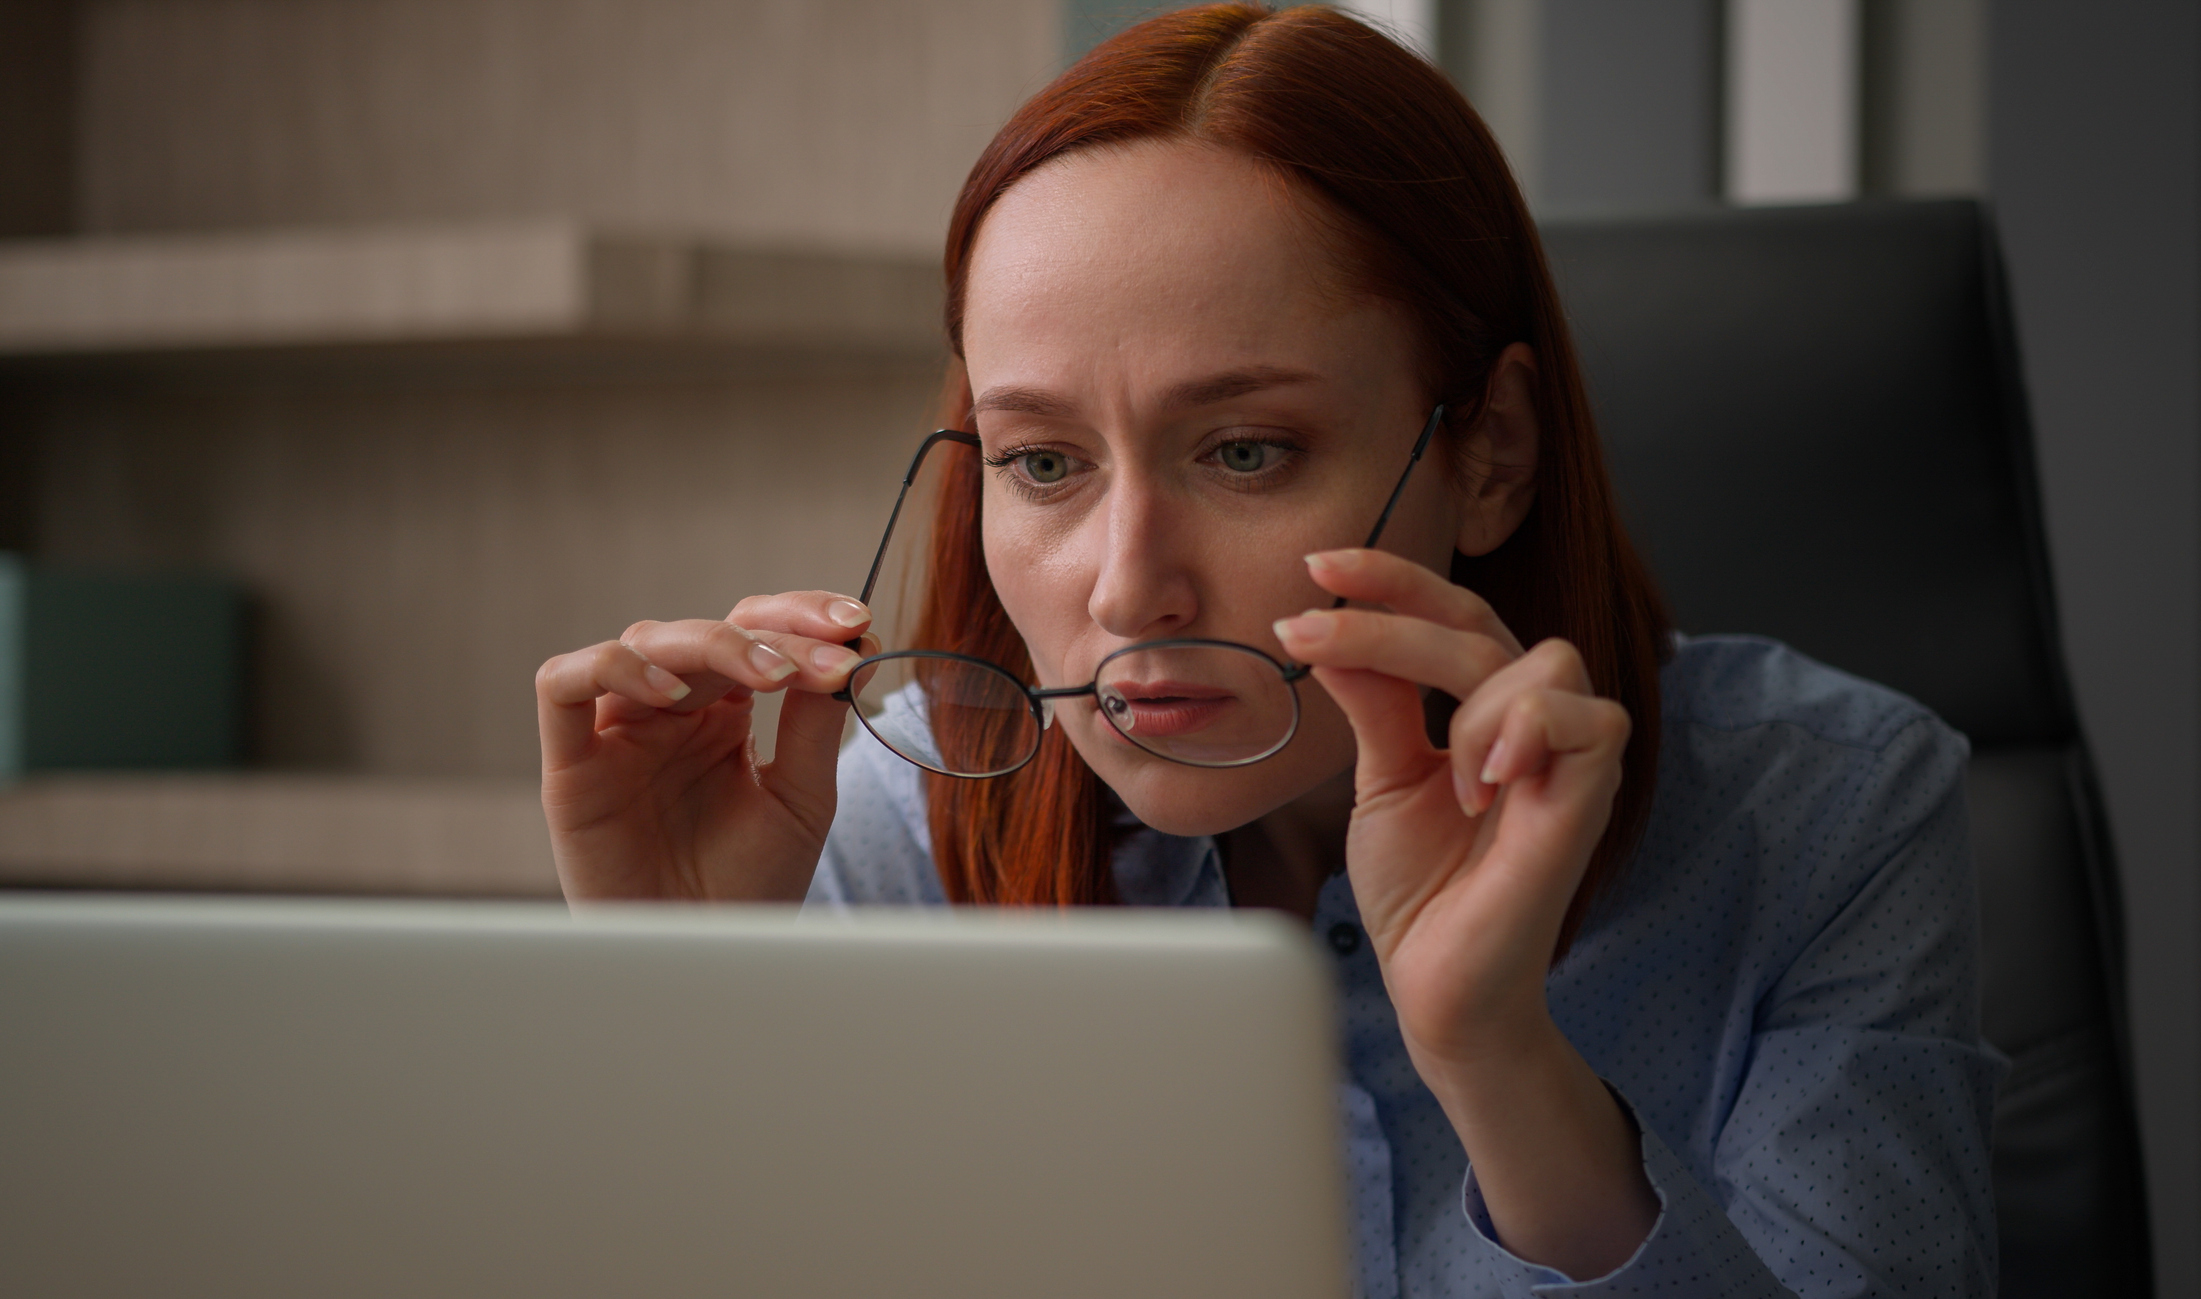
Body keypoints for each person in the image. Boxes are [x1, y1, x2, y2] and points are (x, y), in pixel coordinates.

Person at [535, 6, 2000, 1295]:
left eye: (1244, 451)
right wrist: (681, 1005)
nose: (1125, 591)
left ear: (1487, 452)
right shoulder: (891, 825)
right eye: (1040, 464)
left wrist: (1498, 1058)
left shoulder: (1831, 810)